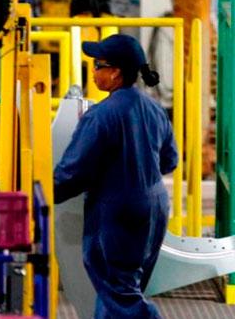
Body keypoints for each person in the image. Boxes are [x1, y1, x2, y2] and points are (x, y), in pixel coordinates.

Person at [54, 34, 178, 318]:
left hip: (117, 211)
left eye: (98, 65)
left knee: (120, 293)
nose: (93, 71)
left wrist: (40, 194)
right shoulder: (154, 109)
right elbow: (169, 160)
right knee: (121, 289)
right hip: (155, 207)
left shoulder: (101, 116)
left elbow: (73, 171)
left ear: (115, 72)